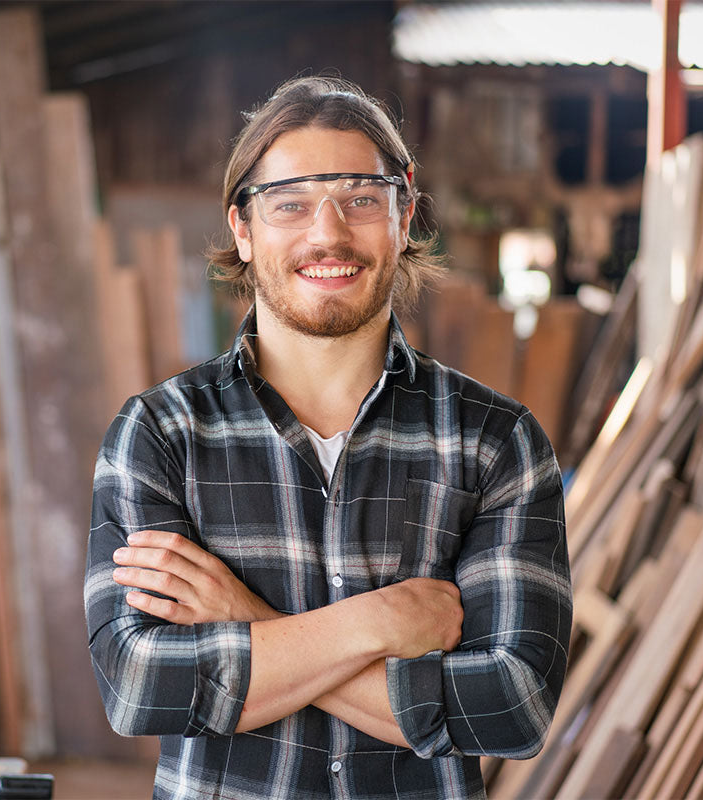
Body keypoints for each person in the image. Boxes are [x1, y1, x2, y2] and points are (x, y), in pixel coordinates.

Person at [84, 76, 571, 800]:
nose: (328, 234)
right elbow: (141, 687)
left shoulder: (494, 441)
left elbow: (511, 707)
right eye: (290, 204)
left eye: (361, 200)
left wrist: (244, 620)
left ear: (404, 214)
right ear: (243, 230)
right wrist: (379, 623)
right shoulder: (161, 434)